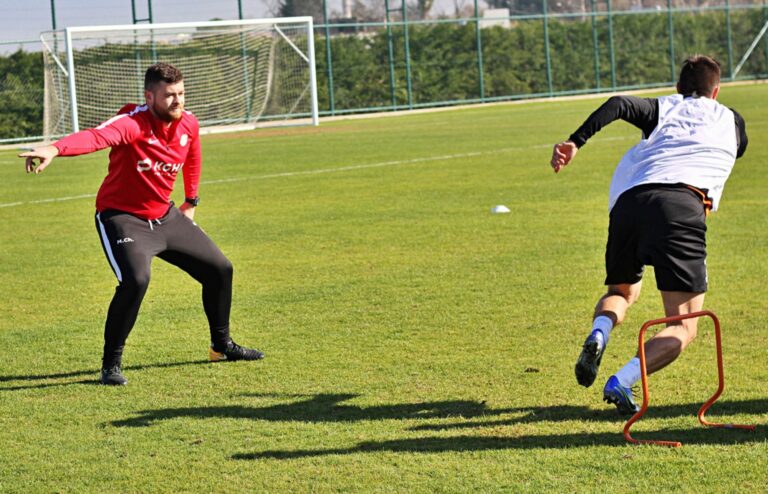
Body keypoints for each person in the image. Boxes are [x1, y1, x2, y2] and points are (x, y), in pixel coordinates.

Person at [20, 62, 264, 386]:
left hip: (166, 216)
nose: (177, 101)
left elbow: (192, 156)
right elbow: (95, 137)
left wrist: (191, 201)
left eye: (181, 93)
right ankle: (111, 364)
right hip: (122, 218)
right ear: (149, 96)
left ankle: (221, 346)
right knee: (136, 280)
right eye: (169, 95)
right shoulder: (133, 124)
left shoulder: (188, 123)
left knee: (220, 269)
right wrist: (54, 148)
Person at [550, 55, 748, 414]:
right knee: (683, 325)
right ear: (716, 91)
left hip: (628, 203)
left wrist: (575, 141)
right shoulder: (732, 120)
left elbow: (619, 104)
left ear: (678, 88)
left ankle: (600, 333)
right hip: (681, 205)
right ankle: (622, 381)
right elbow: (738, 146)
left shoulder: (663, 108)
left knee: (621, 292)